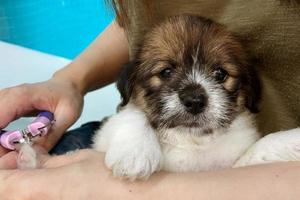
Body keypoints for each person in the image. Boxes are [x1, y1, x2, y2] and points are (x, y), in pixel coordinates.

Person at [0, 0, 299, 199]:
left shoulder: (245, 136)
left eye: (220, 75)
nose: (194, 95)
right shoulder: (134, 117)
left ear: (248, 87)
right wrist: (70, 80)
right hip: (109, 157)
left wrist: (129, 191)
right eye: (166, 72)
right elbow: (135, 16)